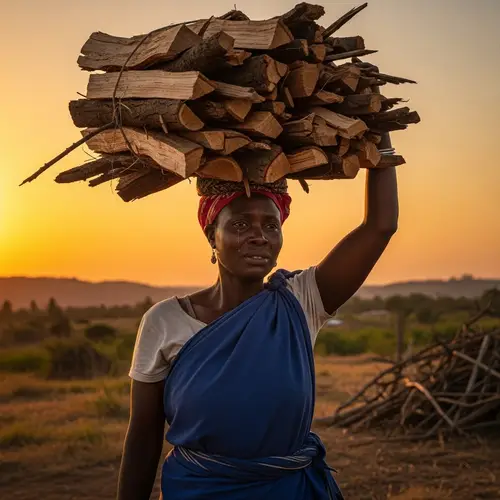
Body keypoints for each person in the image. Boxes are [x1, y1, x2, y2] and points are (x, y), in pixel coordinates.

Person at [117, 153, 399, 500]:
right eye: (240, 224)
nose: (259, 236)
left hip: (289, 491)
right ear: (211, 235)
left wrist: (378, 131)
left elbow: (380, 225)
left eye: (271, 225)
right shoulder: (164, 321)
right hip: (198, 491)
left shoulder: (302, 300)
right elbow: (144, 434)